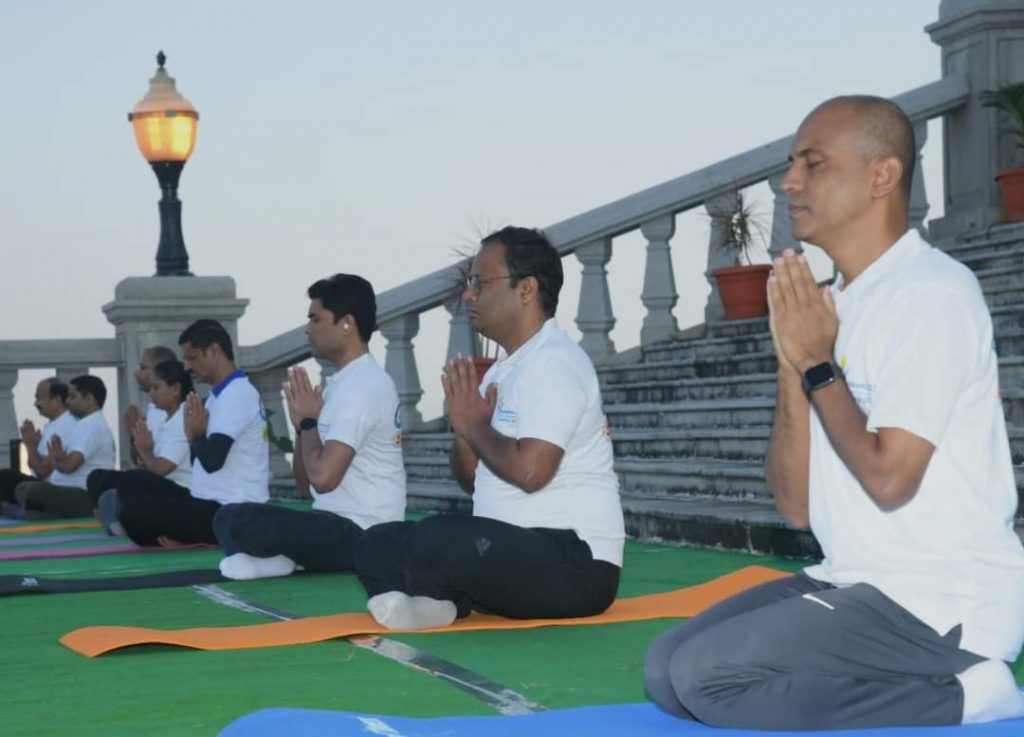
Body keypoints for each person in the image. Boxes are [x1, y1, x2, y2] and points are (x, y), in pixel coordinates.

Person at [644, 95, 1024, 731]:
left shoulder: (932, 294)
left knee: (705, 676)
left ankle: (965, 696)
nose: (789, 182)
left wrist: (820, 365)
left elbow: (891, 479)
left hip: (941, 599)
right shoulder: (833, 303)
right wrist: (792, 364)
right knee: (666, 671)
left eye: (812, 164)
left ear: (882, 176)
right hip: (854, 579)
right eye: (793, 164)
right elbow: (796, 507)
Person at [353, 226, 625, 629]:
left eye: (481, 282)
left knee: (437, 536)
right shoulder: (501, 370)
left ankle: (433, 597)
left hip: (575, 562)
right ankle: (440, 606)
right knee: (375, 541)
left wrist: (476, 423)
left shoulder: (556, 362)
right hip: (505, 551)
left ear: (526, 289)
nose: (469, 294)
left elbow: (531, 473)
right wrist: (466, 433)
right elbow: (471, 480)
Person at [213, 274, 406, 580]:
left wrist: (308, 422)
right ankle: (282, 559)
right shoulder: (339, 385)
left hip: (366, 533)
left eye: (316, 319)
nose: (307, 329)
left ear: (347, 324)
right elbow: (308, 488)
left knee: (238, 518)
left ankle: (280, 559)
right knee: (227, 515)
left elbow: (324, 478)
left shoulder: (365, 385)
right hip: (332, 522)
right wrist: (302, 428)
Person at [118, 320, 269, 546]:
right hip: (204, 501)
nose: (187, 367)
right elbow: (197, 461)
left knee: (138, 513)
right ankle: (182, 535)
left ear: (214, 351)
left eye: (193, 358)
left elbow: (212, 461)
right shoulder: (217, 397)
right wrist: (193, 437)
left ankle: (194, 537)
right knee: (132, 483)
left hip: (232, 509)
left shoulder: (237, 394)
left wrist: (195, 435)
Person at [88, 360, 194, 535]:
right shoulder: (164, 418)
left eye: (156, 388)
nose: (151, 393)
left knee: (125, 487)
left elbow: (160, 469)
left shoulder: (184, 419)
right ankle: (117, 519)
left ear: (176, 389)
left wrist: (145, 451)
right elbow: (143, 461)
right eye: (151, 388)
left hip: (180, 490)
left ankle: (120, 521)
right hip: (161, 483)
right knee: (100, 478)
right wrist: (134, 439)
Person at [14, 375, 116, 518]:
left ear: (89, 399)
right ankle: (40, 512)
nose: (67, 401)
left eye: (72, 397)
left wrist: (57, 459)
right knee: (21, 486)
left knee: (31, 490)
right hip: (66, 489)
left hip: (85, 495)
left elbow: (69, 466)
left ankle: (41, 513)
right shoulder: (82, 425)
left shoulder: (94, 427)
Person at [0, 378, 75, 509]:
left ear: (57, 400)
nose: (36, 403)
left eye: (39, 398)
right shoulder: (55, 425)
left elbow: (42, 471)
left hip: (54, 489)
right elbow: (34, 464)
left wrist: (30, 445)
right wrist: (33, 445)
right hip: (43, 485)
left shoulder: (66, 427)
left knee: (5, 478)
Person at [124, 345, 177, 461]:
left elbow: (159, 466)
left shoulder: (171, 411)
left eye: (142, 368)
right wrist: (135, 435)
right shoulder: (155, 407)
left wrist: (135, 433)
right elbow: (141, 461)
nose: (136, 373)